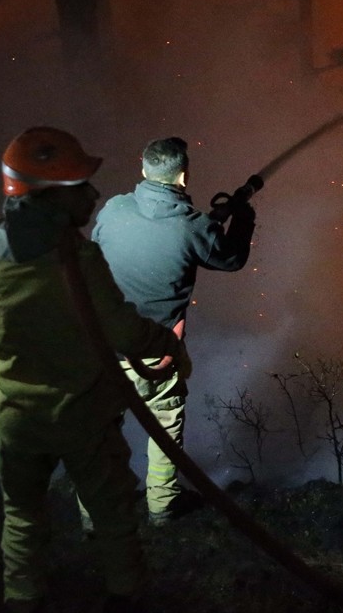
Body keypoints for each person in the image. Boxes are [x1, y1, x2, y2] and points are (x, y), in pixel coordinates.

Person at [0, 126, 181, 613]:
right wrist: (167, 344)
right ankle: (125, 597)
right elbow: (123, 331)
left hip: (16, 415)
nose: (92, 194)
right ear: (48, 194)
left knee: (22, 516)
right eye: (79, 186)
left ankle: (22, 600)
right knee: (112, 515)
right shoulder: (77, 259)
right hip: (81, 414)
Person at [89, 136, 256, 525]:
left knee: (100, 434)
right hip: (157, 354)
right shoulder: (193, 227)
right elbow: (231, 258)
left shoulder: (114, 209)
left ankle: (94, 516)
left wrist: (205, 220)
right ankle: (162, 508)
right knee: (164, 430)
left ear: (143, 168)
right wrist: (243, 217)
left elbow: (132, 242)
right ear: (183, 176)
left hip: (105, 348)